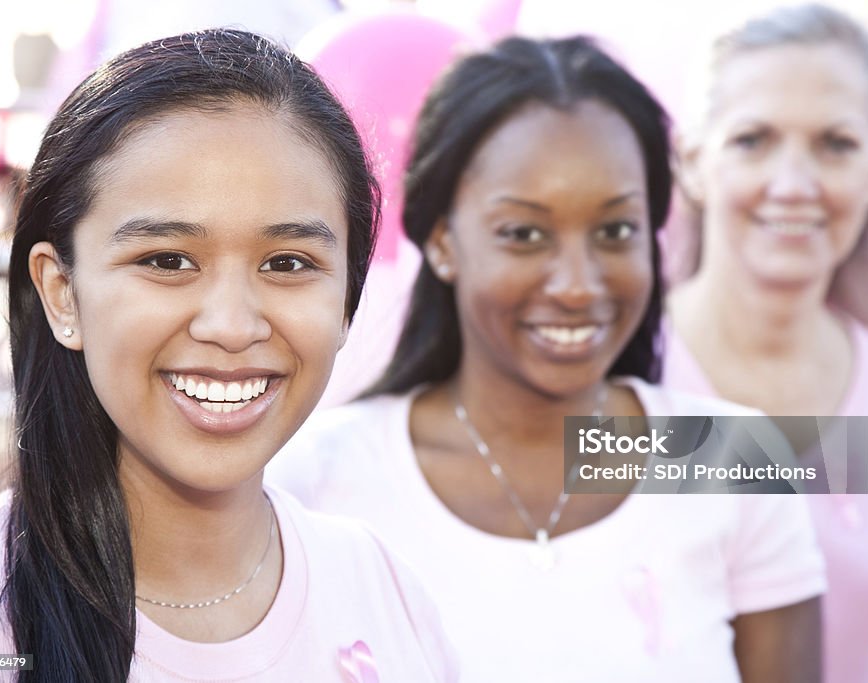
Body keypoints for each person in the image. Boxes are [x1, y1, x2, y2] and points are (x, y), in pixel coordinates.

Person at [269, 36, 825, 682]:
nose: (577, 283)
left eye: (615, 230)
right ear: (443, 240)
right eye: (524, 233)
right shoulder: (315, 479)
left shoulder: (736, 458)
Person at [0, 29, 457, 682]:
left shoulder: (385, 594)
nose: (230, 325)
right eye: (167, 260)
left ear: (346, 297)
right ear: (62, 292)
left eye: (287, 262)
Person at [663, 5, 868, 683]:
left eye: (834, 143)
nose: (795, 183)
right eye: (753, 139)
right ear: (692, 159)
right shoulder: (618, 384)